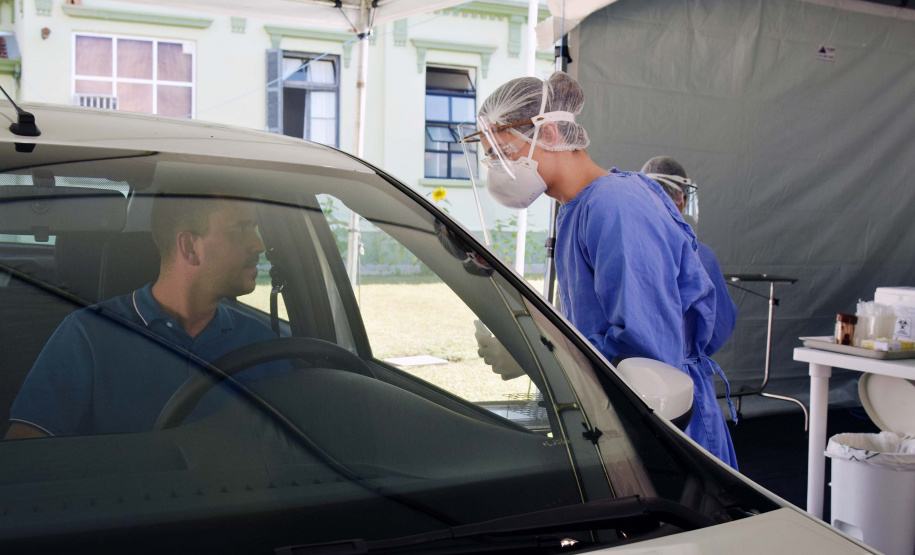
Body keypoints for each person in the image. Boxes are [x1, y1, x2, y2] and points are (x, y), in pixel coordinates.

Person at [466, 72, 738, 469]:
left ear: (552, 133)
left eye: (505, 152)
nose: (499, 169)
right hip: (618, 416)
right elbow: (588, 323)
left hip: (665, 424)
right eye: (491, 157)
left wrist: (535, 359)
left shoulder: (616, 205)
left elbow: (647, 355)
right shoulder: (576, 208)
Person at [5, 196, 287, 439]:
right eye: (239, 229)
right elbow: (27, 455)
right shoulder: (87, 335)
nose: (259, 244)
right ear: (189, 247)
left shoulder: (262, 342)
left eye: (254, 227)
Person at [641, 156, 738, 355]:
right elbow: (719, 326)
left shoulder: (625, 246)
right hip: (682, 375)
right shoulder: (700, 255)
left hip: (624, 374)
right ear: (680, 196)